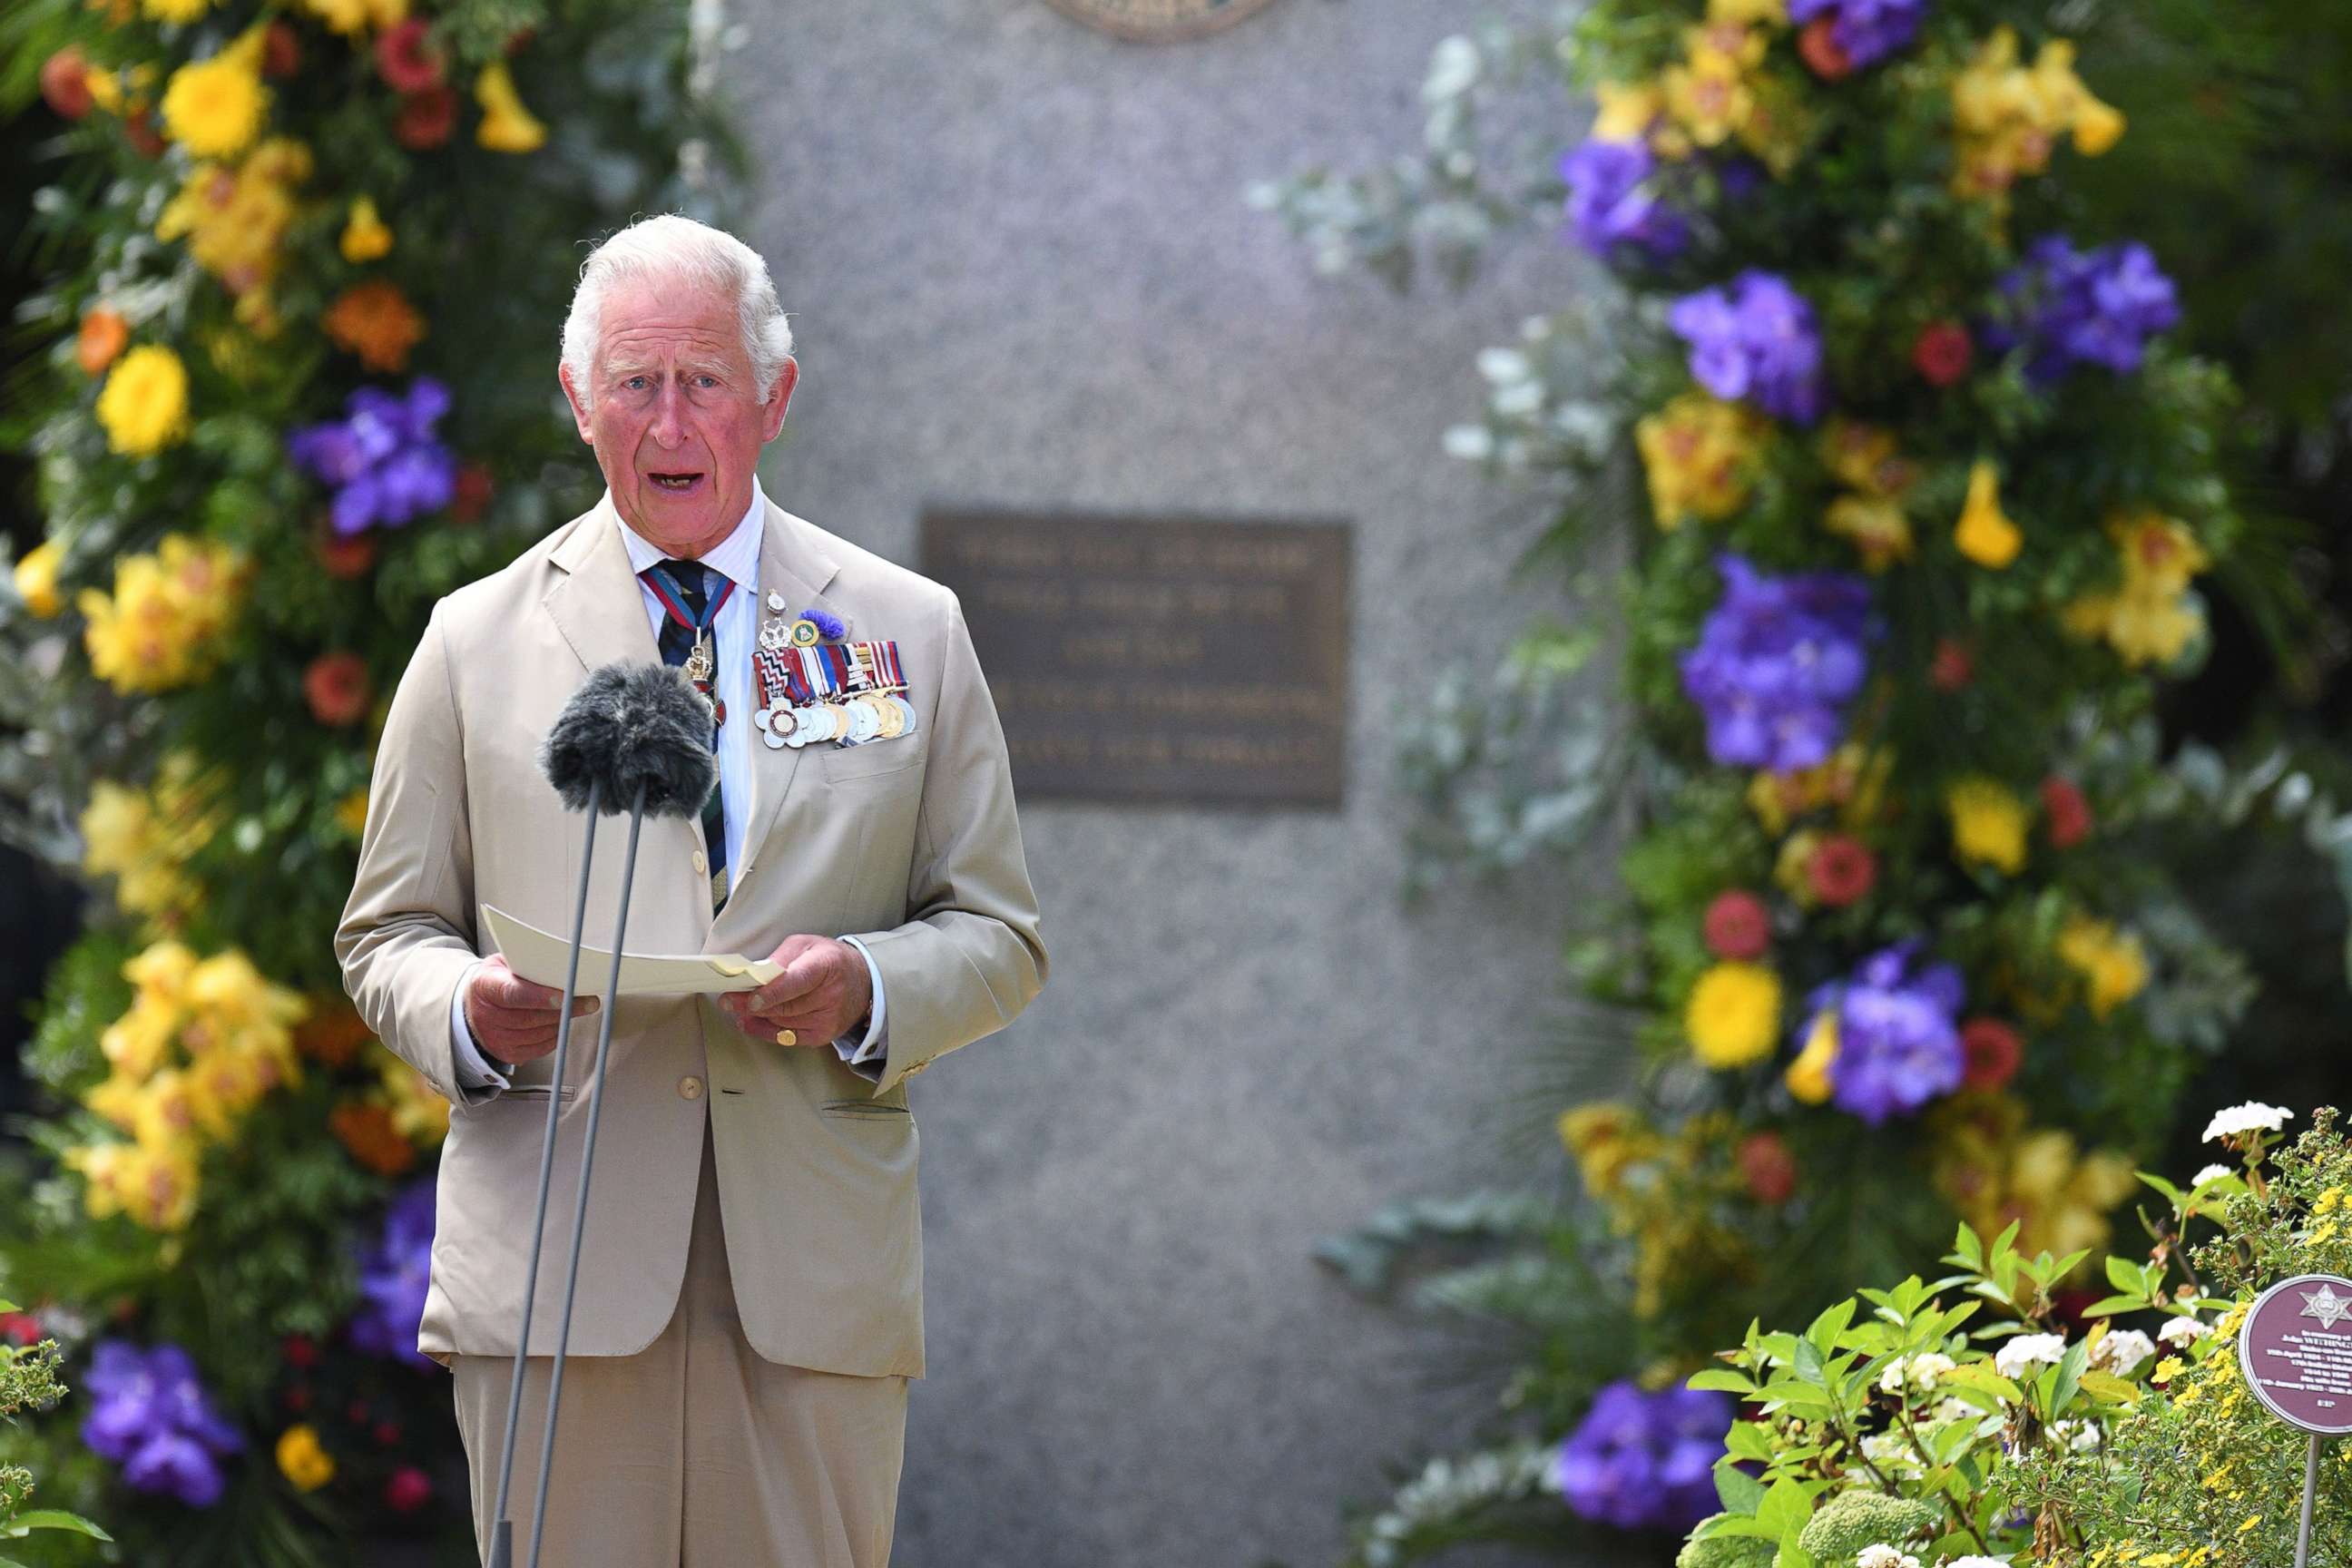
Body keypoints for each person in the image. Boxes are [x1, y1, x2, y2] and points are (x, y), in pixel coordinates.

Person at [335, 212, 1047, 1566]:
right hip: (558, 1271)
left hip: (810, 1275)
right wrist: (473, 1011)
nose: (672, 422)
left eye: (705, 381)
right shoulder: (474, 641)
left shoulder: (906, 629)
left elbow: (999, 934)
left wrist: (865, 985)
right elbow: (387, 932)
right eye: (635, 383)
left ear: (772, 398)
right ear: (580, 403)